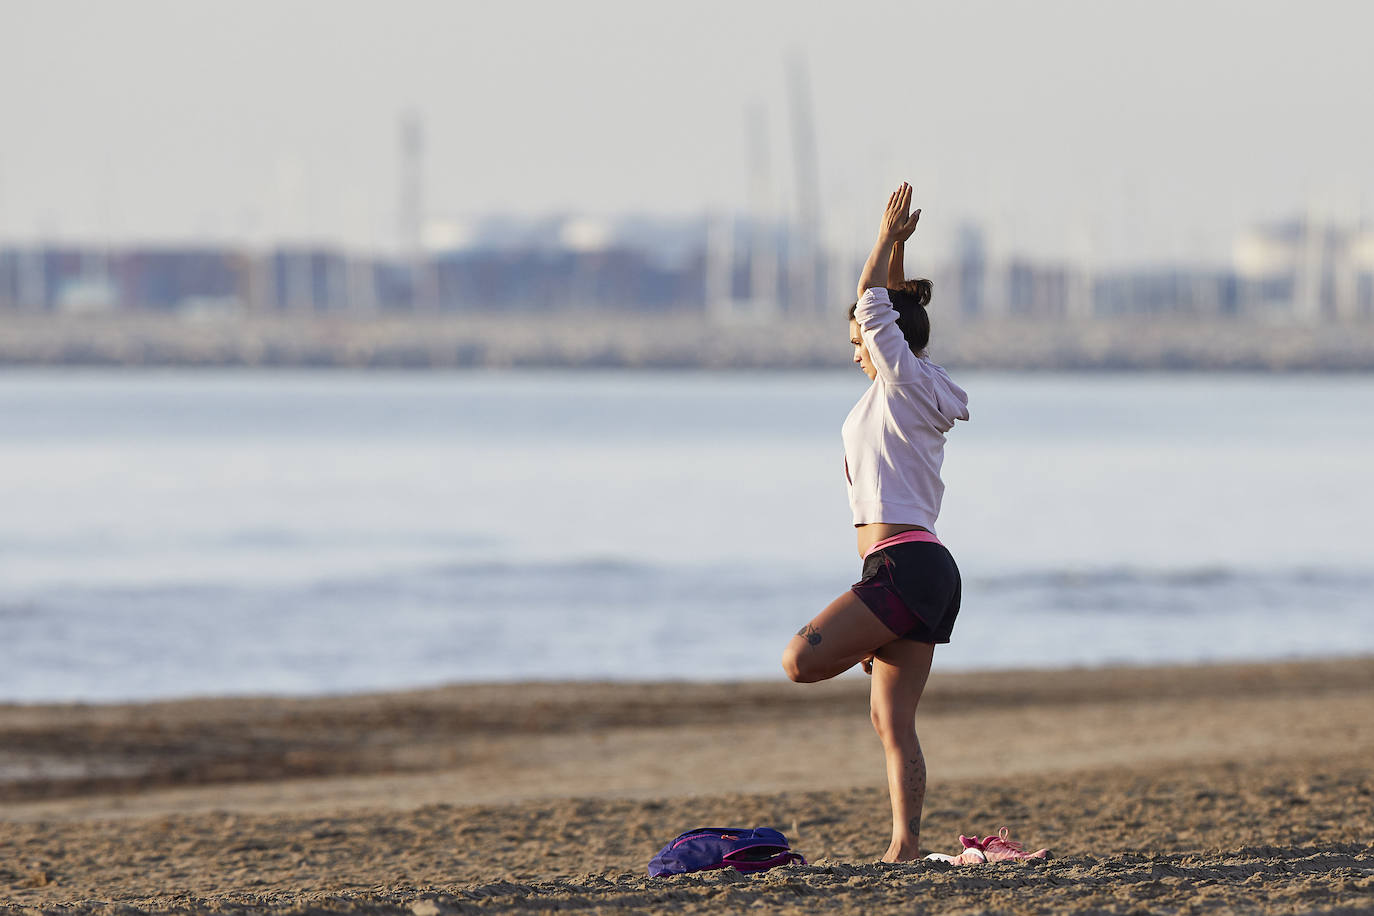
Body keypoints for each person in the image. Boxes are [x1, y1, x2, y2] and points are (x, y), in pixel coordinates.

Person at [780, 181, 970, 864]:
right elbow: (888, 312)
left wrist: (885, 241)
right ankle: (906, 848)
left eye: (859, 339)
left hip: (907, 566)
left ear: (884, 341)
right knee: (892, 722)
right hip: (915, 568)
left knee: (798, 660)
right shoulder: (914, 387)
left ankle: (906, 844)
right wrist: (900, 264)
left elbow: (872, 307)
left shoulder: (902, 383)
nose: (855, 346)